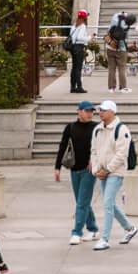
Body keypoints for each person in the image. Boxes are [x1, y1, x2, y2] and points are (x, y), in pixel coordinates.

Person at [90, 100, 138, 250]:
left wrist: (108, 169)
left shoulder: (121, 129)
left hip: (116, 171)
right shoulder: (98, 129)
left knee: (107, 204)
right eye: (100, 110)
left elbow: (121, 154)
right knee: (109, 202)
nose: (100, 112)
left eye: (104, 110)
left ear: (112, 112)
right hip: (103, 171)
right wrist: (97, 170)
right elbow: (94, 151)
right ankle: (130, 228)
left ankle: (105, 238)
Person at [55, 100, 101, 243]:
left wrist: (94, 160)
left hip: (89, 170)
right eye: (87, 111)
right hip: (74, 169)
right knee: (82, 201)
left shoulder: (96, 127)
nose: (90, 114)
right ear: (79, 111)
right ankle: (93, 229)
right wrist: (57, 168)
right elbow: (62, 147)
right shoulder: (70, 127)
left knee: (82, 202)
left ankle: (77, 232)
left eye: (91, 111)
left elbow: (101, 146)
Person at [105, 12, 133, 93]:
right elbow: (126, 37)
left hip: (110, 48)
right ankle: (123, 87)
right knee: (122, 69)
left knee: (111, 69)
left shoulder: (112, 24)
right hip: (121, 49)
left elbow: (108, 33)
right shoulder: (125, 27)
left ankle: (111, 88)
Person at [68, 11, 90, 94]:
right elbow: (80, 37)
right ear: (85, 17)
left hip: (73, 48)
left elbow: (73, 37)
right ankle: (79, 87)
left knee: (74, 68)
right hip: (79, 47)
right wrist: (89, 38)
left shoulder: (74, 25)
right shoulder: (83, 26)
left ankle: (72, 87)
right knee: (78, 68)